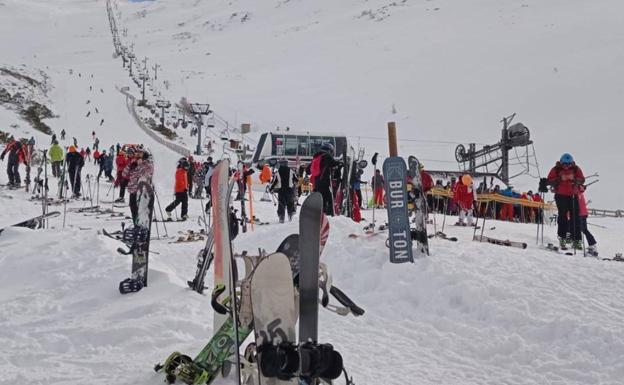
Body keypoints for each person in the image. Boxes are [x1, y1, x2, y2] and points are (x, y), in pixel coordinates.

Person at [546, 153, 585, 250]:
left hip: (573, 195)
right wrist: (560, 178)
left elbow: (582, 180)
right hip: (560, 195)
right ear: (561, 162)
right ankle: (562, 238)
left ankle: (577, 240)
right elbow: (549, 181)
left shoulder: (576, 169)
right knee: (562, 216)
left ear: (572, 163)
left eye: (569, 164)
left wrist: (575, 179)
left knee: (575, 217)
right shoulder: (556, 169)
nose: (567, 166)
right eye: (565, 164)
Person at [308, 143, 341, 216]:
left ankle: (319, 214)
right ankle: (328, 216)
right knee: (329, 199)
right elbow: (333, 163)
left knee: (320, 199)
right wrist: (340, 163)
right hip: (324, 182)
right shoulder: (326, 155)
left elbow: (308, 170)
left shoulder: (316, 157)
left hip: (316, 183)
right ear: (329, 150)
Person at [122, 149, 154, 224]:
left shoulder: (148, 165)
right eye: (137, 154)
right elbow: (124, 174)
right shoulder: (133, 163)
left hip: (142, 191)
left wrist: (140, 165)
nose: (138, 156)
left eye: (140, 154)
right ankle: (136, 225)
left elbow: (148, 175)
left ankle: (141, 225)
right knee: (133, 209)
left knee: (141, 210)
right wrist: (130, 165)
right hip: (132, 190)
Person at [578, 186, 598, 256]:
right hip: (583, 213)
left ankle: (592, 244)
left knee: (582, 229)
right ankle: (592, 243)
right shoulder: (580, 193)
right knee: (583, 229)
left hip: (580, 214)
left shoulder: (577, 194)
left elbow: (578, 205)